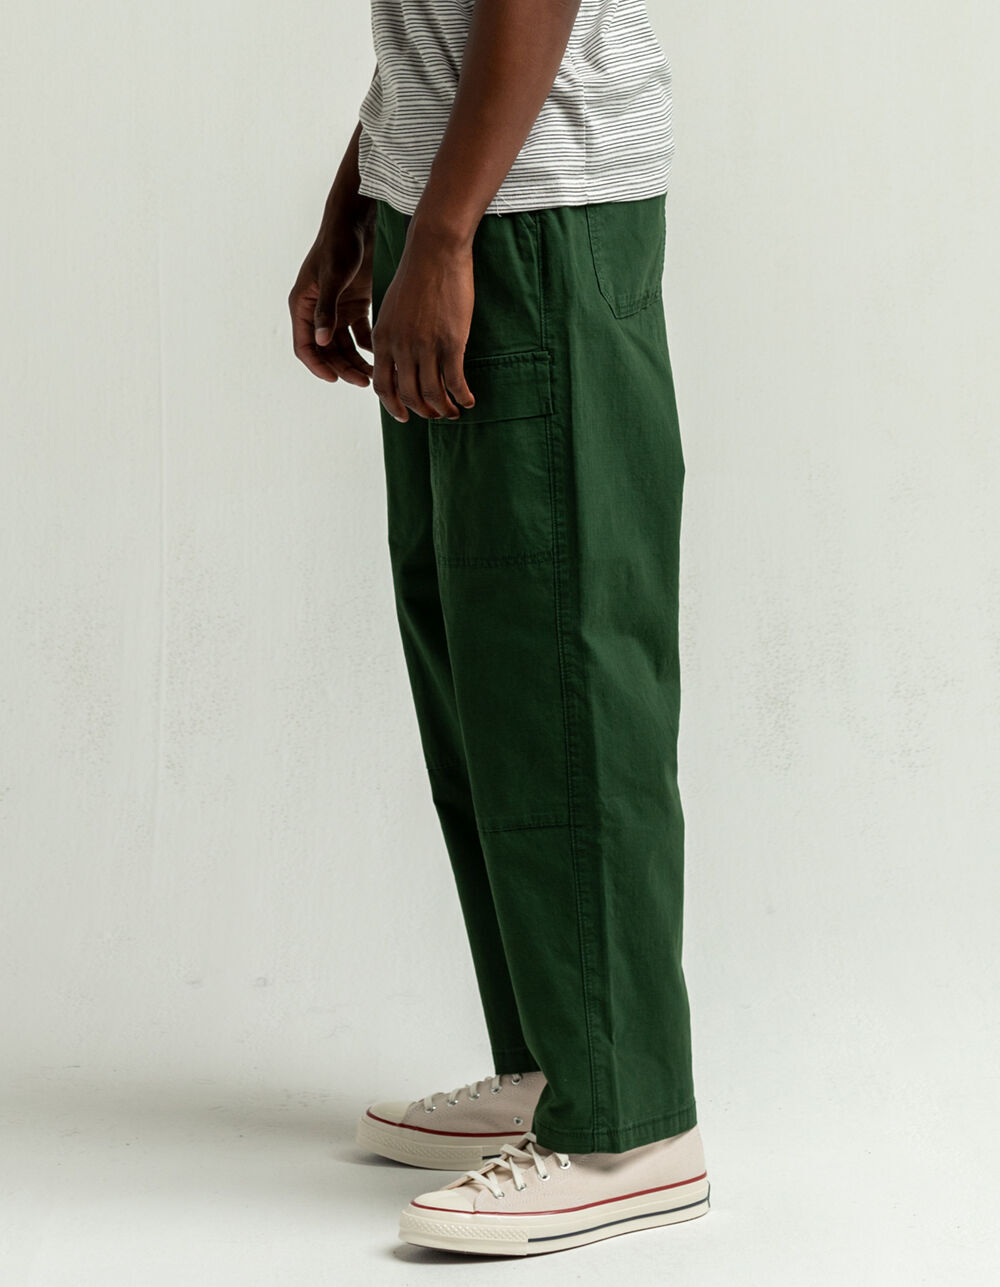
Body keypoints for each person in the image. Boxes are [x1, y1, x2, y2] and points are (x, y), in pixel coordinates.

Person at [288, 0, 710, 1258]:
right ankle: (554, 1068)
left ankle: (628, 1130)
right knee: (485, 666)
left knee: (564, 668)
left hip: (533, 217)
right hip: (460, 201)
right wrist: (363, 209)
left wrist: (446, 232)